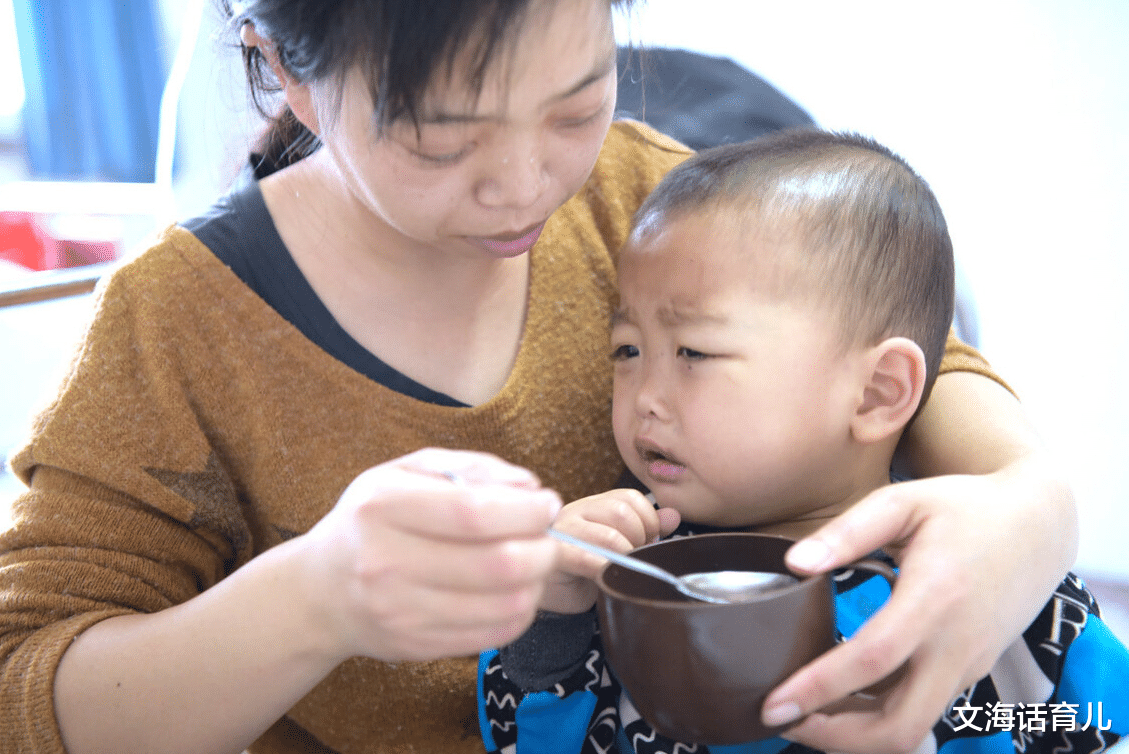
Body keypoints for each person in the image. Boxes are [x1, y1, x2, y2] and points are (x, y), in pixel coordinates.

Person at [0, 0, 1078, 752]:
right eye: (439, 139)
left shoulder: (646, 200)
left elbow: (907, 358)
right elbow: (26, 698)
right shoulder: (176, 326)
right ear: (287, 72)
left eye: (575, 104)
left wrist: (1030, 504)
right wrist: (313, 599)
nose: (526, 186)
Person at [479, 130, 1128, 754]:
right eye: (627, 349)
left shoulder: (985, 570)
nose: (643, 394)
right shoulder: (634, 578)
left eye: (694, 351)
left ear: (875, 392)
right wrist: (554, 612)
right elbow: (525, 740)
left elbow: (1099, 717)